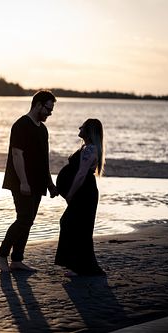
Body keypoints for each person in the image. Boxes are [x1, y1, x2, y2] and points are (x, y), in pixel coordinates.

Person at [0, 90, 59, 272]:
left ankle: (17, 260)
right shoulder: (21, 125)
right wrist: (23, 182)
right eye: (48, 109)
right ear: (38, 105)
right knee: (23, 219)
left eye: (51, 110)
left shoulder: (43, 129)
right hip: (20, 181)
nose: (49, 113)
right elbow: (17, 154)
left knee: (29, 220)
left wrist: (50, 184)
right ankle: (2, 254)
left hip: (38, 183)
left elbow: (43, 160)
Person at [55, 118, 106, 277]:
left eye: (82, 126)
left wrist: (70, 193)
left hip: (84, 191)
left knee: (74, 225)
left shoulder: (90, 150)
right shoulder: (88, 148)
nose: (79, 127)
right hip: (85, 190)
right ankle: (79, 266)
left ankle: (80, 267)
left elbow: (81, 173)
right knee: (77, 226)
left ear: (89, 131)